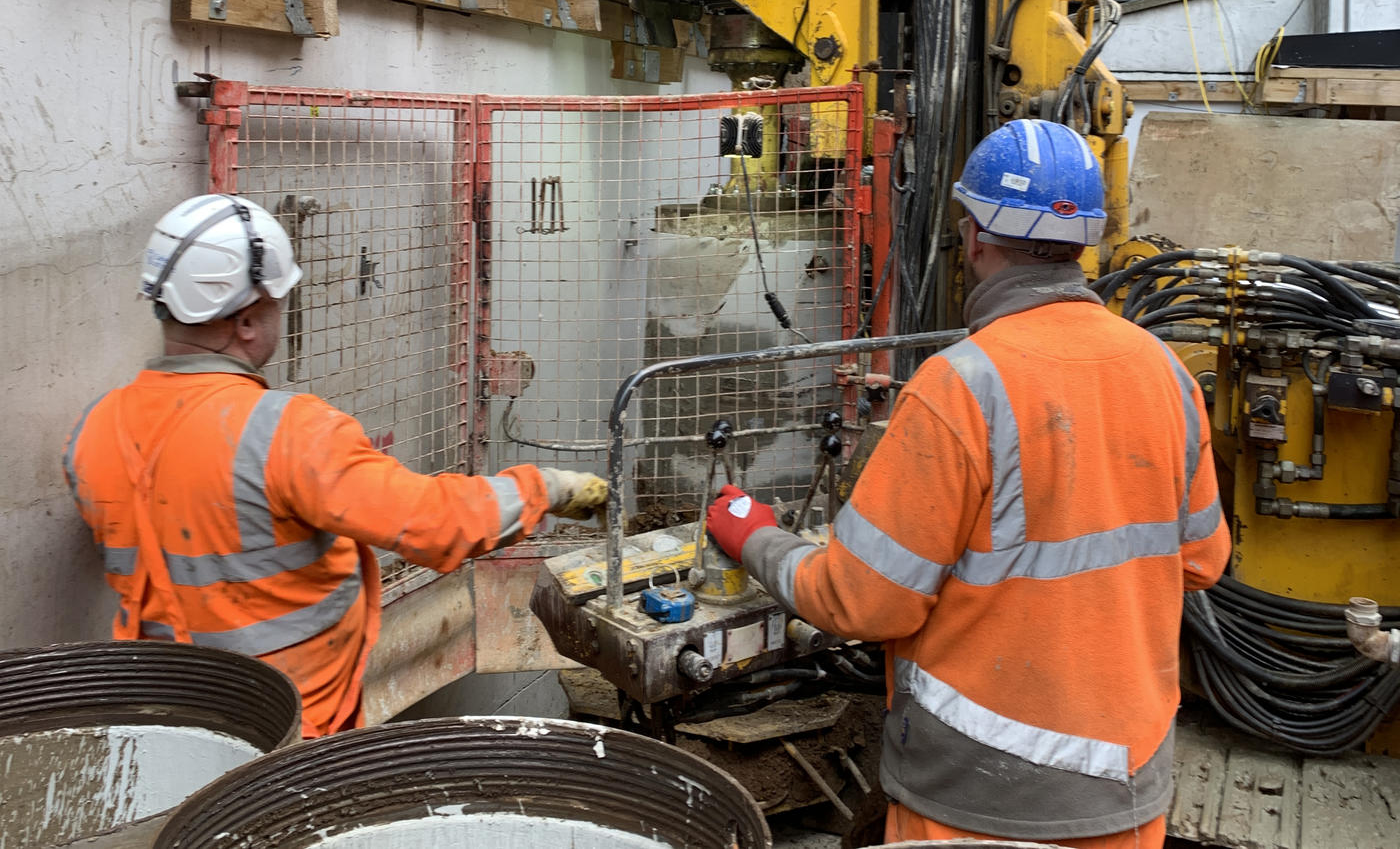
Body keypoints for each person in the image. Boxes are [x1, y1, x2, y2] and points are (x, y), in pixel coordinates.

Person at [708, 119, 1229, 848]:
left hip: (980, 800)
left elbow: (858, 601)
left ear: (975, 236)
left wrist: (750, 532)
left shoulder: (961, 387)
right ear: (1087, 241)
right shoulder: (1164, 372)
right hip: (1129, 786)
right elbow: (1202, 561)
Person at [63, 194, 606, 736]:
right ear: (248, 319)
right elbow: (437, 523)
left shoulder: (93, 432)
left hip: (161, 723)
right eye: (281, 303)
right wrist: (548, 488)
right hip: (284, 732)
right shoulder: (287, 430)